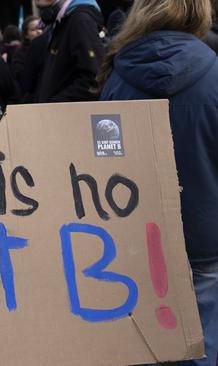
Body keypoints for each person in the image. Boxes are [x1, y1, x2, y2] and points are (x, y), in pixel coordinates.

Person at [98, 1, 217, 365]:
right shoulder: (214, 72)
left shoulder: (116, 77)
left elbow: (103, 167)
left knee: (144, 346)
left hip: (137, 244)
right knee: (204, 348)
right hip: (205, 240)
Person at [34, 0, 105, 103]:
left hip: (66, 116)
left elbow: (95, 79)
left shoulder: (79, 21)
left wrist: (53, 106)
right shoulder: (61, 22)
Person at [11, 15, 43, 88]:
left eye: (41, 28)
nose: (39, 31)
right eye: (34, 29)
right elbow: (21, 77)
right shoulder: (19, 54)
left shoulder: (52, 48)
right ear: (26, 35)